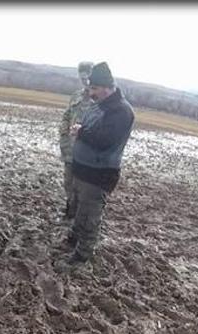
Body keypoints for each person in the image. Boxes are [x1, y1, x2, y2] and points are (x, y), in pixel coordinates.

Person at [65, 62, 134, 264]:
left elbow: (106, 141)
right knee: (79, 209)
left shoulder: (121, 111)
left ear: (106, 87)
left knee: (89, 216)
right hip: (82, 171)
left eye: (94, 89)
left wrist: (80, 132)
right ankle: (74, 238)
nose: (91, 92)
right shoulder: (99, 106)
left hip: (97, 176)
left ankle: (82, 255)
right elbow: (90, 128)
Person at [58, 61, 94, 219]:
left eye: (87, 78)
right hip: (70, 149)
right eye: (82, 78)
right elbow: (67, 114)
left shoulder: (99, 101)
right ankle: (69, 209)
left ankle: (78, 215)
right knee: (68, 181)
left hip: (86, 151)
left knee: (82, 186)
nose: (85, 82)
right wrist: (64, 131)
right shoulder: (76, 95)